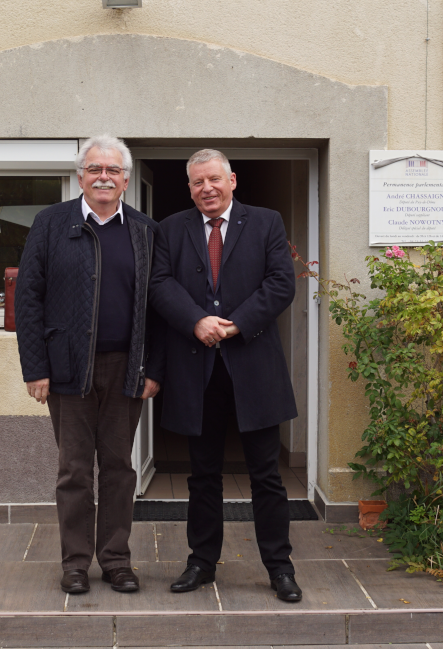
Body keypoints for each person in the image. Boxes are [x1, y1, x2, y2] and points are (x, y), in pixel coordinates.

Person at [149, 149, 302, 602]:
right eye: (197, 182)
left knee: (267, 476)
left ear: (232, 180)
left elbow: (280, 283)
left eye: (214, 179)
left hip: (253, 367)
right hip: (196, 370)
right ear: (190, 187)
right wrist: (196, 320)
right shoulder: (170, 228)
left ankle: (279, 568)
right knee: (203, 475)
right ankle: (201, 562)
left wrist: (234, 324)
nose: (207, 189)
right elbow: (159, 284)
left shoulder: (266, 221)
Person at [15, 135, 163, 595]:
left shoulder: (144, 230)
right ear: (81, 176)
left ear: (125, 180)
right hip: (66, 368)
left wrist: (153, 367)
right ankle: (75, 563)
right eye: (95, 168)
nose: (104, 177)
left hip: (127, 368)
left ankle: (116, 560)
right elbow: (28, 299)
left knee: (119, 467)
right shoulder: (50, 223)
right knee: (74, 469)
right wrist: (35, 368)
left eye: (113, 170)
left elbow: (159, 304)